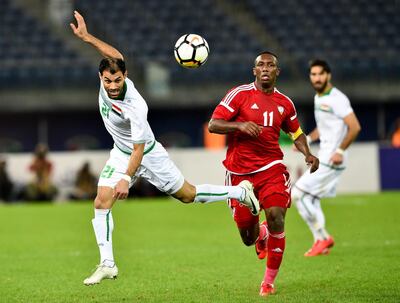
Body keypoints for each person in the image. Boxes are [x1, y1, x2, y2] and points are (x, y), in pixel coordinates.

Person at [69, 11, 259, 286]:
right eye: (108, 81)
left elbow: (138, 149)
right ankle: (107, 263)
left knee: (187, 194)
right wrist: (87, 38)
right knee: (101, 202)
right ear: (101, 77)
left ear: (125, 77)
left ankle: (240, 192)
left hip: (146, 154)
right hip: (121, 152)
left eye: (117, 81)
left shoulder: (135, 107)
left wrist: (125, 179)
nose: (112, 86)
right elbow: (116, 53)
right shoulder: (107, 77)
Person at [208, 51, 319, 296]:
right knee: (248, 238)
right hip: (239, 174)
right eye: (261, 65)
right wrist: (239, 125)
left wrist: (307, 153)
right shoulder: (240, 95)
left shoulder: (285, 103)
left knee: (277, 216)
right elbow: (213, 124)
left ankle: (268, 282)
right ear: (254, 71)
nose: (266, 68)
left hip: (271, 168)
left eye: (271, 65)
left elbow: (296, 133)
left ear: (277, 72)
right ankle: (262, 233)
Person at [292, 59, 361, 257]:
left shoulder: (337, 98)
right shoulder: (319, 97)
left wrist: (340, 150)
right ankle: (320, 242)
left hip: (332, 158)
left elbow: (355, 126)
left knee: (298, 194)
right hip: (324, 155)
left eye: (320, 74)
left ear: (328, 75)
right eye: (313, 75)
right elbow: (324, 127)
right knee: (311, 199)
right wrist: (308, 140)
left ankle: (323, 237)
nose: (317, 78)